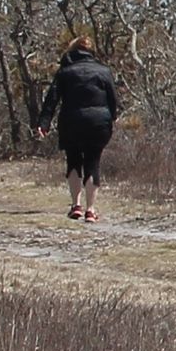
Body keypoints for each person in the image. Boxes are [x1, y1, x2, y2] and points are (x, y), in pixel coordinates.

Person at [37, 40, 121, 223]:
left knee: (73, 160)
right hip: (99, 122)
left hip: (71, 121)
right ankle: (90, 210)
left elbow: (51, 100)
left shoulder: (65, 72)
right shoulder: (104, 71)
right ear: (91, 52)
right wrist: (112, 118)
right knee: (93, 161)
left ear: (72, 52)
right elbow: (113, 100)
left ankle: (76, 206)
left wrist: (44, 123)